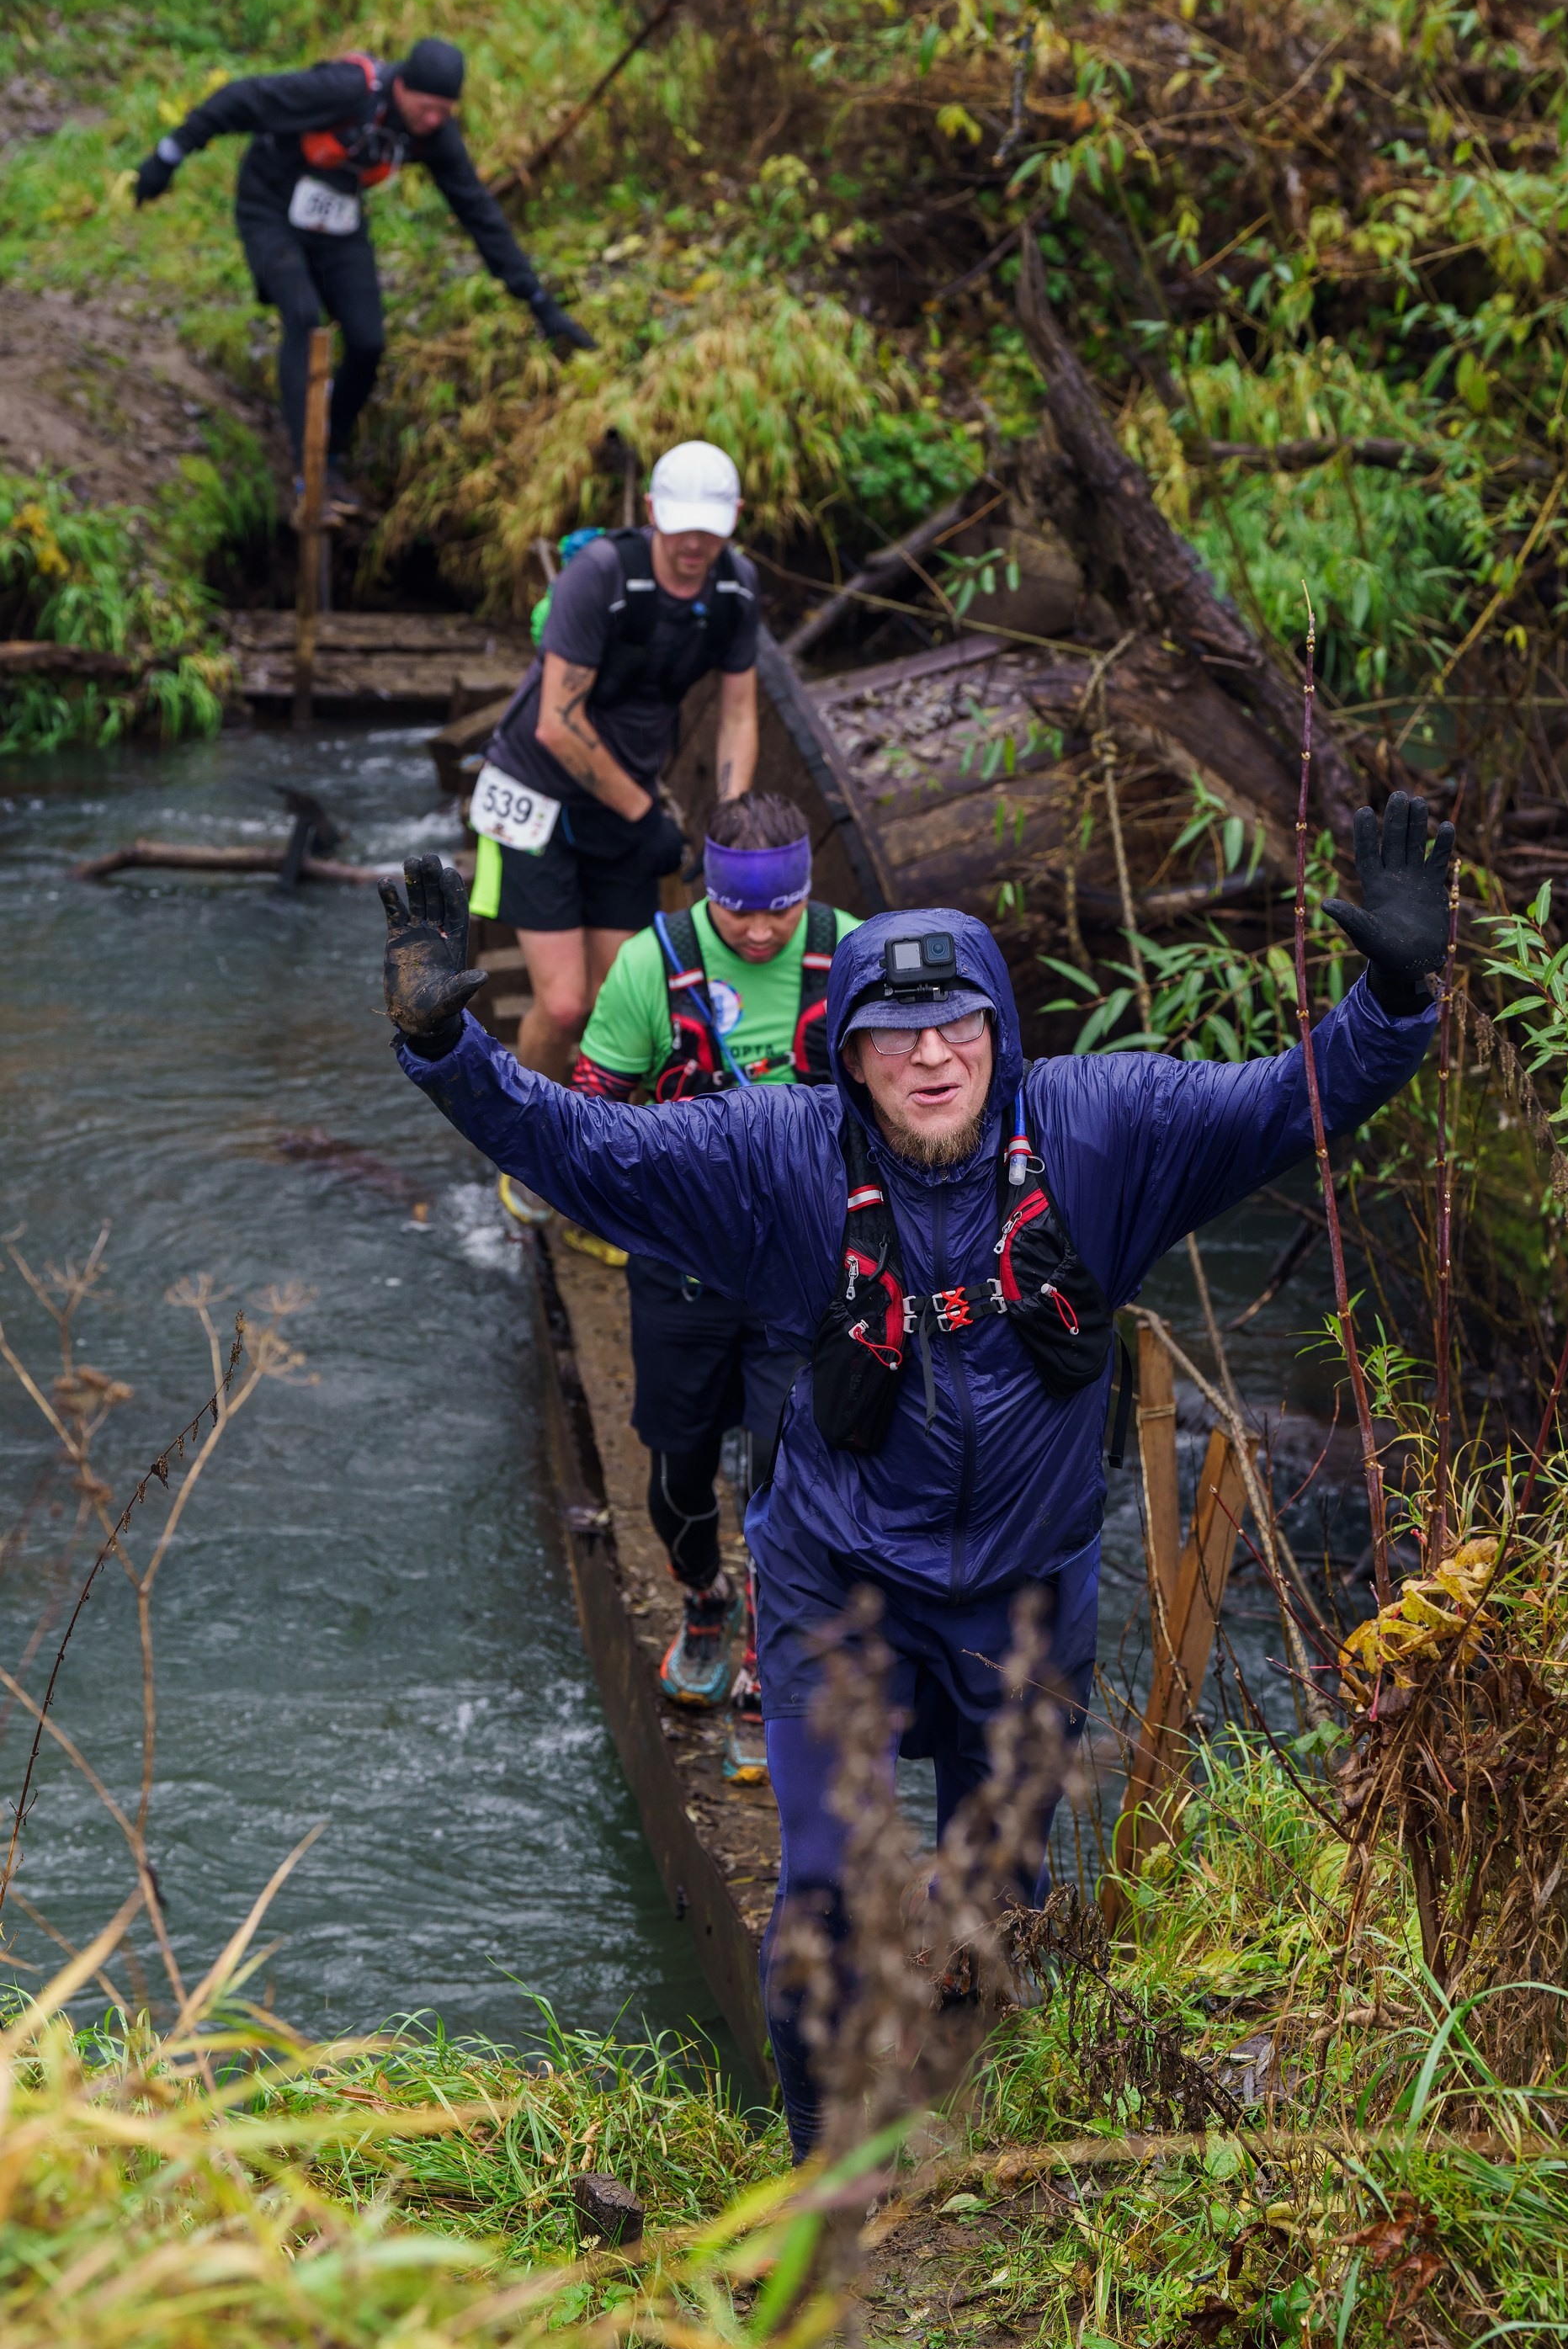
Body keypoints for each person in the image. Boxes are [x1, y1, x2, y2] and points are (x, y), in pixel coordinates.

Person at [379, 792, 1455, 2156]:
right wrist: (446, 1050)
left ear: (1000, 1036)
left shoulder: (1104, 1131)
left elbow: (1280, 1104)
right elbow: (585, 1151)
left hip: (1027, 1600)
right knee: (823, 1904)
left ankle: (991, 2144)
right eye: (897, 1034)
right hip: (839, 1589)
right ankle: (821, 2169)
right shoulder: (775, 1156)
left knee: (1004, 1890)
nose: (933, 1056)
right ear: (851, 1056)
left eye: (960, 1027)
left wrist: (1397, 994)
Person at [571, 791, 859, 1781]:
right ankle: (703, 1596)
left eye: (779, 908)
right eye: (741, 911)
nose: (761, 929)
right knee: (677, 1470)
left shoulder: (851, 952)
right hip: (685, 1269)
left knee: (792, 1468)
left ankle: (767, 1667)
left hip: (805, 1268)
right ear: (707, 892)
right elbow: (593, 1114)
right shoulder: (650, 967)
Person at [133, 40, 593, 515]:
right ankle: (305, 466)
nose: (434, 120)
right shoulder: (344, 90)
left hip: (337, 223)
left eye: (445, 111)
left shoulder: (434, 135)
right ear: (402, 88)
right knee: (304, 319)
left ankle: (328, 453)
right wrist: (169, 155)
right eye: (427, 108)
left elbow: (477, 210)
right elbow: (242, 98)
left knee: (368, 341)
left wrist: (539, 303)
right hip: (269, 208)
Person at [468, 438, 760, 1086]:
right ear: (653, 510)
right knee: (566, 1003)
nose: (693, 545)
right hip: (538, 798)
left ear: (734, 518)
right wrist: (645, 816)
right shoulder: (599, 575)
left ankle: (605, 1152)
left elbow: (739, 713)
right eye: (680, 526)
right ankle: (528, 1147)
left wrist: (734, 823)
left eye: (709, 531)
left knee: (618, 1001)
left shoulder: (736, 587)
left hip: (624, 803)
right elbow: (556, 724)